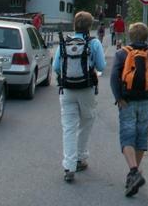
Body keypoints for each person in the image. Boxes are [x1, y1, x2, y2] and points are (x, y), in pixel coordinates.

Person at [53, 11, 106, 183]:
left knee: (68, 127)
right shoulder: (94, 43)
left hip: (67, 89)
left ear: (74, 24)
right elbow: (101, 66)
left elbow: (56, 67)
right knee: (86, 121)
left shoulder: (64, 42)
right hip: (87, 89)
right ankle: (81, 158)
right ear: (90, 26)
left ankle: (69, 166)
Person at [110, 22, 148, 197]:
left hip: (128, 102)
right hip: (147, 102)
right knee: (140, 137)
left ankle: (133, 172)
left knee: (127, 136)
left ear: (129, 36)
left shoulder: (121, 53)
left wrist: (118, 98)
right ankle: (134, 174)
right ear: (146, 37)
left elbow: (114, 78)